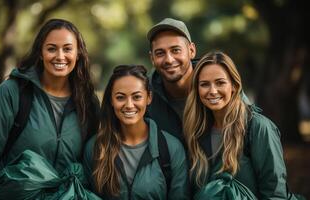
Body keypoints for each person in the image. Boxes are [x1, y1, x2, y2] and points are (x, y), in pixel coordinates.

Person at [0, 18, 100, 199]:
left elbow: (93, 162)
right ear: (40, 52)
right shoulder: (13, 93)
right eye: (52, 48)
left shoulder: (88, 103)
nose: (60, 56)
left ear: (78, 53)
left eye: (68, 48)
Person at [183, 51, 288, 198]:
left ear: (234, 85)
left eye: (220, 83)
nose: (212, 91)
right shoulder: (197, 131)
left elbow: (275, 192)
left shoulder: (258, 127)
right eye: (204, 84)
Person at [83, 65, 189, 200]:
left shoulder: (172, 148)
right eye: (120, 97)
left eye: (137, 97)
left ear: (149, 97)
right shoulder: (94, 148)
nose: (129, 105)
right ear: (111, 100)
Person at [146, 18, 197, 141]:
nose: (169, 59)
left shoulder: (217, 83)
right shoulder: (144, 94)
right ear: (152, 58)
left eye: (175, 50)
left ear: (191, 51)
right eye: (160, 53)